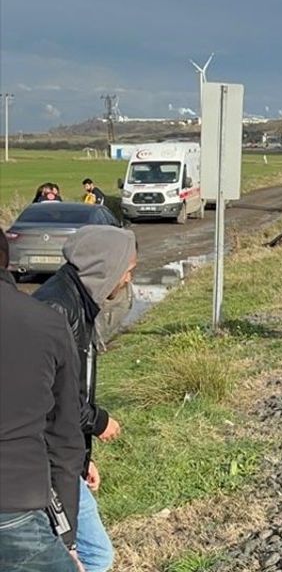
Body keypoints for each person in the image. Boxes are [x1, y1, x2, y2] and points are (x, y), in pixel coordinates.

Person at [34, 226, 137, 572]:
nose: (127, 278)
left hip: (63, 458)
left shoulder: (79, 301)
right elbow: (53, 399)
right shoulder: (56, 309)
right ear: (105, 266)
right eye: (127, 269)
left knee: (93, 555)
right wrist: (98, 421)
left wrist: (81, 459)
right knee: (83, 557)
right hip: (44, 463)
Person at [0, 232, 85, 572]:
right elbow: (64, 437)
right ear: (7, 260)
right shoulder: (46, 324)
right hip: (14, 504)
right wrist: (67, 540)